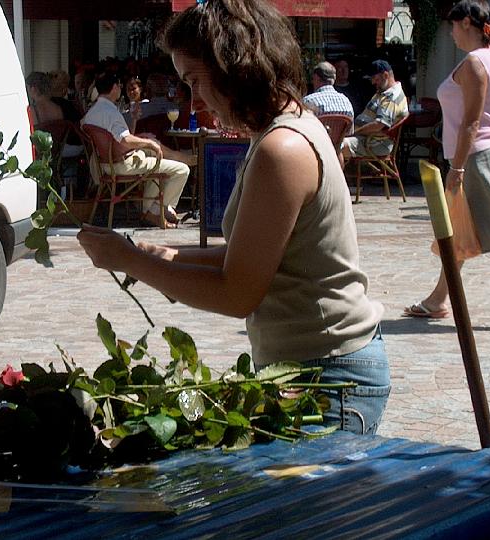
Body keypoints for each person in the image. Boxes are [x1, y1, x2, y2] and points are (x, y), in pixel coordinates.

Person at [78, 0, 390, 435]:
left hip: (329, 376)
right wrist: (161, 254)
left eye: (194, 81)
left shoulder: (282, 149)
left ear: (233, 66)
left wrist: (131, 260)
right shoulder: (281, 130)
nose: (194, 100)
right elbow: (251, 256)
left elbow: (237, 292)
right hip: (314, 367)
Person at [404, 0, 490, 318]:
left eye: (453, 25)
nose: (451, 32)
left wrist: (457, 168)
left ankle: (437, 300)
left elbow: (472, 122)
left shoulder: (475, 62)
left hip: (475, 158)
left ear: (466, 24)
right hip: (483, 155)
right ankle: (437, 300)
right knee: (457, 233)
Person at [81, 71, 191, 228]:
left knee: (155, 159)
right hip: (122, 164)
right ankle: (154, 210)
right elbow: (125, 140)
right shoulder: (110, 112)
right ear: (114, 88)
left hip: (103, 165)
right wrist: (150, 144)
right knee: (182, 170)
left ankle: (151, 207)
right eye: (119, 86)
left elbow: (117, 138)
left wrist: (134, 121)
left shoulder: (92, 112)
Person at [341, 60, 409, 163]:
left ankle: (336, 173)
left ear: (385, 75)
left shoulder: (391, 97)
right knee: (332, 141)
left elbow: (378, 125)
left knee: (336, 145)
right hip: (367, 138)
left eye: (375, 79)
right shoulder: (383, 91)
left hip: (375, 143)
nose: (373, 82)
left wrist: (354, 132)